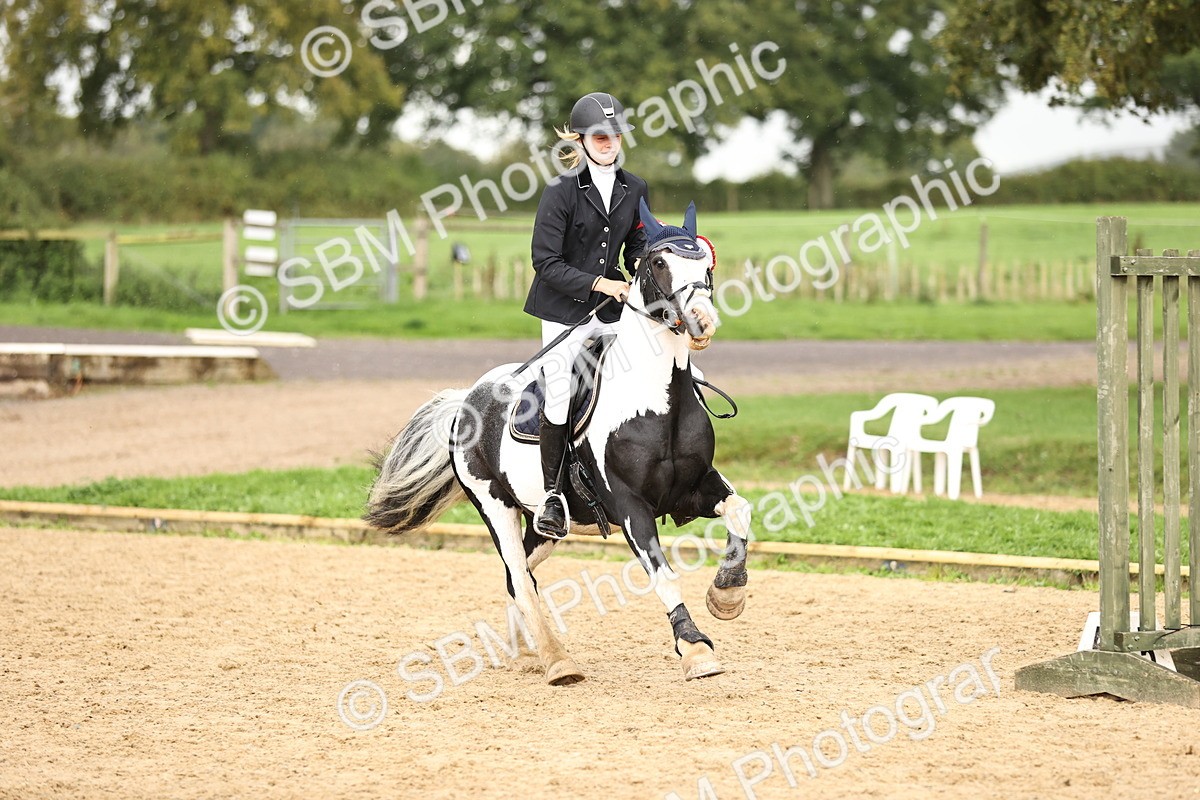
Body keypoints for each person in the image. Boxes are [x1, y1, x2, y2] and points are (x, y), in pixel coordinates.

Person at [523, 91, 649, 540]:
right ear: (580, 140)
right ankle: (552, 496)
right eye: (599, 136)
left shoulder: (635, 188)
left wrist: (644, 263)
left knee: (647, 359)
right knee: (559, 390)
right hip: (562, 309)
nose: (608, 142)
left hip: (611, 306)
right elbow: (545, 261)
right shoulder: (560, 191)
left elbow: (636, 243)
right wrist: (601, 284)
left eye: (615, 135)